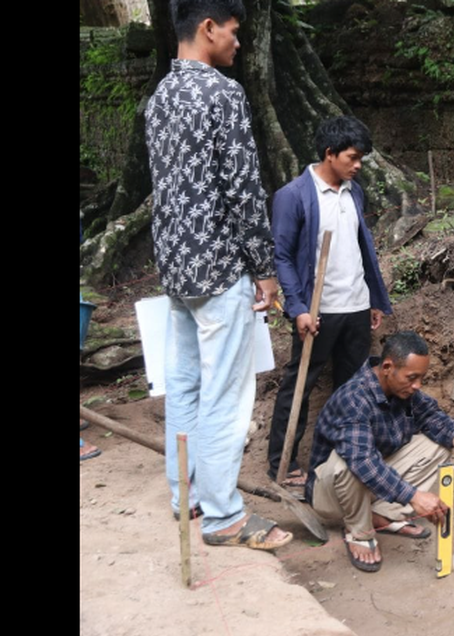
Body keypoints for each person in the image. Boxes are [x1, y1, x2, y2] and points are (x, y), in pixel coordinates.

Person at [145, 0, 290, 551]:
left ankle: (190, 498)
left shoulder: (160, 96)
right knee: (227, 395)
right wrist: (264, 269)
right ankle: (225, 516)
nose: (238, 42)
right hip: (221, 267)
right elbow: (244, 192)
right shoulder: (223, 94)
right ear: (208, 28)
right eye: (234, 32)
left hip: (177, 269)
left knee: (183, 385)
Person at [267, 115, 394, 486]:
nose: (357, 166)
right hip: (317, 312)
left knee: (352, 390)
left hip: (354, 306)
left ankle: (340, 462)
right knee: (300, 385)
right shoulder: (292, 197)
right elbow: (283, 258)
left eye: (361, 160)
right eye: (352, 158)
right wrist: (299, 308)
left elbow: (361, 247)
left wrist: (372, 297)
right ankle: (283, 462)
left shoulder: (354, 191)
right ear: (329, 153)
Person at [306, 331, 454, 573]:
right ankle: (359, 531)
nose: (418, 385)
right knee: (349, 461)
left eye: (421, 378)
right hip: (329, 494)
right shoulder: (354, 399)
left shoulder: (404, 390)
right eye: (412, 377)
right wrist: (414, 496)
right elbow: (363, 462)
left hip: (369, 483)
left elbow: (431, 416)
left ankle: (380, 515)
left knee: (438, 446)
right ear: (387, 367)